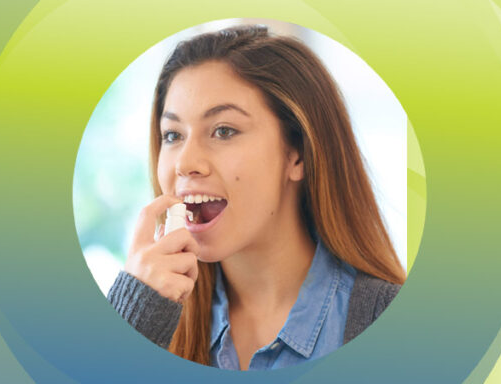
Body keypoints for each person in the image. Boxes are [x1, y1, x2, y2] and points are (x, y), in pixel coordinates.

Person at [107, 24, 405, 371]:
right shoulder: (150, 316)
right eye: (173, 135)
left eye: (224, 131)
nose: (185, 163)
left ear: (298, 155)